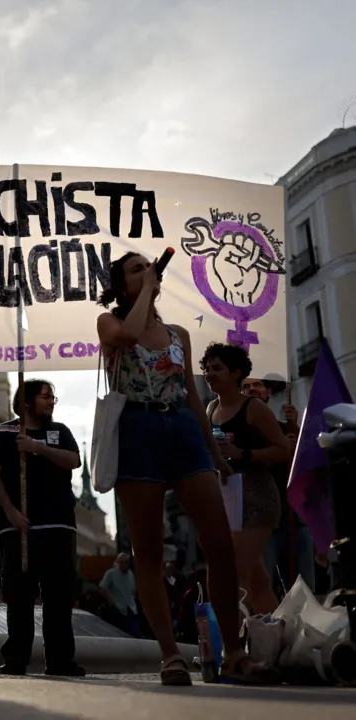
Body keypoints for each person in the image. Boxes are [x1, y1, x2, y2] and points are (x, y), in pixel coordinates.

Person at [95, 251, 279, 685]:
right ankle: (169, 655)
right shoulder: (109, 322)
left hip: (181, 428)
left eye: (149, 266)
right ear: (121, 285)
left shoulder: (178, 334)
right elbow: (127, 336)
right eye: (135, 269)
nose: (147, 271)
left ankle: (233, 652)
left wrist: (214, 455)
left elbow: (193, 398)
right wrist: (147, 292)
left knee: (219, 544)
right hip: (138, 428)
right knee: (150, 551)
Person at [0, 378, 85, 677]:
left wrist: (36, 447)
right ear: (26, 402)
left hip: (58, 526)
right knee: (19, 596)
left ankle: (61, 659)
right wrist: (10, 511)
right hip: (18, 527)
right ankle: (16, 658)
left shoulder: (59, 432)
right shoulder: (4, 433)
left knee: (59, 597)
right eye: (46, 396)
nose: (52, 401)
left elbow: (72, 460)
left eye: (53, 396)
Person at [202, 343, 290, 615]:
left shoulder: (253, 408)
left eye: (217, 368)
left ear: (236, 372)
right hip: (228, 496)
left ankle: (233, 646)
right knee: (257, 581)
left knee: (234, 574)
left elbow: (283, 450)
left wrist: (244, 453)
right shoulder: (210, 409)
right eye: (206, 368)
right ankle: (275, 638)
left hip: (257, 496)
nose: (209, 373)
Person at [241, 375, 316, 596]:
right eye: (246, 386)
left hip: (293, 520)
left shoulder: (284, 428)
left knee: (305, 594)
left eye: (258, 385)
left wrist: (294, 424)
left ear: (268, 392)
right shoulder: (234, 433)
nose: (253, 390)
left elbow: (308, 460)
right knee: (264, 590)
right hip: (259, 524)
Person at [97, 554, 140, 637]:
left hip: (131, 608)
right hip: (117, 609)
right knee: (119, 633)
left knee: (134, 633)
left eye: (126, 562)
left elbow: (133, 591)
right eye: (121, 562)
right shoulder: (111, 573)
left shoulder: (130, 575)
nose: (124, 564)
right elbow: (102, 588)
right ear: (118, 563)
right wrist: (110, 601)